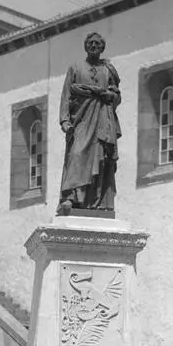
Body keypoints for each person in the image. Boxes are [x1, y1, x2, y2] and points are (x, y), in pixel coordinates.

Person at [57, 32, 122, 213]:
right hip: (82, 121)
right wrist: (65, 121)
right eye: (90, 43)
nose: (94, 46)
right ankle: (71, 196)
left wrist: (111, 96)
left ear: (102, 47)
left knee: (101, 159)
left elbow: (117, 96)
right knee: (77, 154)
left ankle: (97, 202)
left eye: (97, 43)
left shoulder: (108, 70)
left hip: (102, 119)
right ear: (85, 46)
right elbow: (65, 96)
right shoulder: (75, 68)